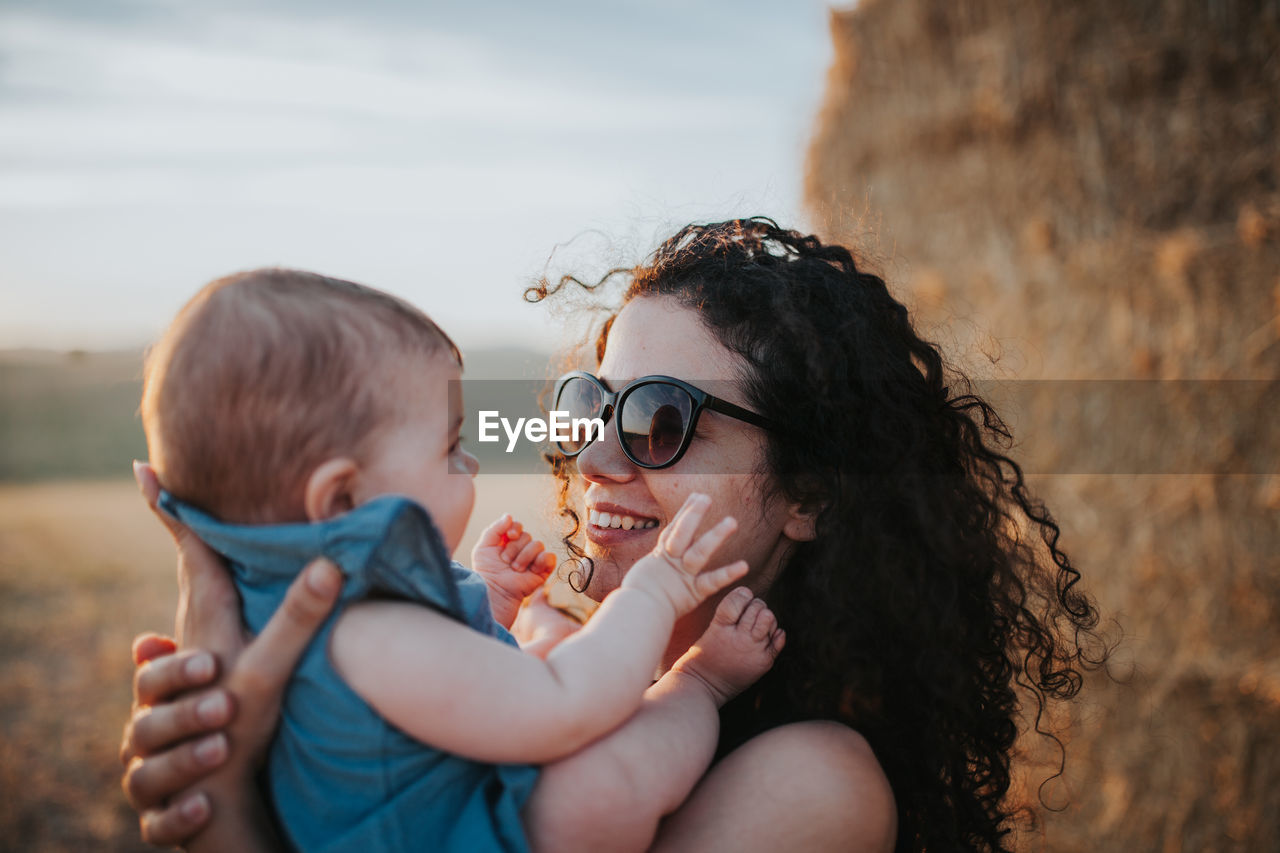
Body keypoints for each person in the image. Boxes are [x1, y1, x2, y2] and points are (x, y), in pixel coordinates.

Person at [121, 219, 1110, 852]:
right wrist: (245, 759)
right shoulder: (544, 658)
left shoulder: (810, 783)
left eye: (661, 420)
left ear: (809, 489)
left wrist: (231, 831)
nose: (595, 459)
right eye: (589, 406)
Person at [132, 268, 784, 853]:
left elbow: (432, 707)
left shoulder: (315, 614)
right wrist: (657, 590)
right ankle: (697, 688)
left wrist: (490, 604)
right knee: (596, 789)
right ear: (340, 498)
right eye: (450, 447)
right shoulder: (371, 631)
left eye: (661, 418)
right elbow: (558, 704)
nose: (588, 459)